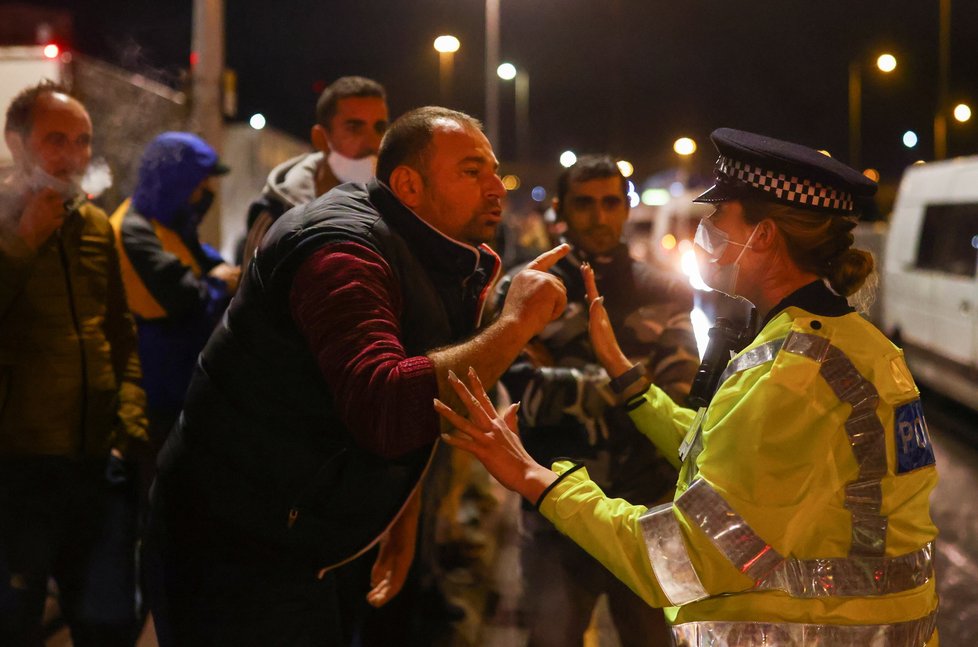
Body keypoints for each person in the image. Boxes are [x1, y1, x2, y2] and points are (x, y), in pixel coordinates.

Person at [435, 128, 940, 646]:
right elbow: (726, 448)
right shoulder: (853, 344)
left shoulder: (792, 374)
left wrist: (532, 477)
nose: (706, 228)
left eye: (719, 216)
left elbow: (680, 558)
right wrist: (627, 377)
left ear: (763, 236)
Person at [144, 106, 570, 646]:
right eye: (471, 171)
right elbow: (386, 404)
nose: (496, 188)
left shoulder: (420, 246)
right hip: (231, 546)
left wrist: (396, 510)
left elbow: (404, 385)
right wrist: (517, 323)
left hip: (296, 537)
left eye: (492, 169)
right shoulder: (342, 251)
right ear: (409, 185)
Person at [497, 154, 698, 646]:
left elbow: (679, 395)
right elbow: (525, 392)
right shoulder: (527, 289)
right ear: (562, 209)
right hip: (555, 505)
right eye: (585, 204)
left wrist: (562, 375)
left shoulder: (666, 290)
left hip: (646, 508)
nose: (600, 216)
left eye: (611, 202)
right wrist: (631, 381)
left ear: (627, 208)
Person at [0, 81, 148, 645]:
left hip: (96, 462)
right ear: (18, 143)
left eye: (82, 141)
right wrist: (24, 239)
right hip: (16, 471)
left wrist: (127, 424)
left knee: (109, 622)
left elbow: (119, 330)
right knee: (14, 622)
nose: (73, 155)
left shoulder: (91, 223)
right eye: (55, 140)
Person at [110, 132, 239, 472]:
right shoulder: (133, 230)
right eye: (199, 184)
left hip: (184, 392)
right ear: (176, 183)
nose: (205, 193)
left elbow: (209, 263)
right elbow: (186, 299)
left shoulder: (170, 224)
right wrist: (217, 284)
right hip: (155, 398)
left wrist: (217, 278)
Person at [239, 75, 389, 261]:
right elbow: (253, 286)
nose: (373, 143)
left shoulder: (393, 210)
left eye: (380, 128)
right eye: (354, 128)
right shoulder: (276, 214)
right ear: (320, 138)